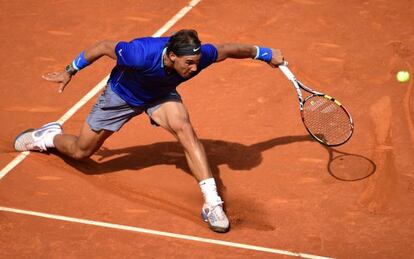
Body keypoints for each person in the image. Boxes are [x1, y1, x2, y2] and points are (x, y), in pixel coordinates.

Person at [14, 29, 284, 233]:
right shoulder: (139, 53)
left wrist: (263, 53)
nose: (194, 68)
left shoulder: (199, 58)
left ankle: (212, 203)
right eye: (188, 63)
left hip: (159, 95)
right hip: (121, 96)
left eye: (196, 62)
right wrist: (70, 69)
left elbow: (227, 50)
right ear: (172, 55)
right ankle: (48, 136)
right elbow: (104, 46)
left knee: (186, 131)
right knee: (81, 151)